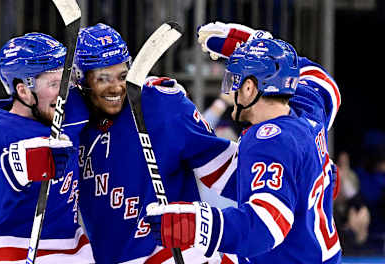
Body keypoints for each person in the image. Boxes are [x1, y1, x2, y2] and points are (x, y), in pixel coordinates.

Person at [145, 23, 343, 263]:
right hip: (319, 252)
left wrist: (197, 224)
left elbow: (266, 227)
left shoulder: (269, 142)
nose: (232, 90)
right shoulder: (308, 107)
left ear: (249, 88)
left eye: (235, 81)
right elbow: (322, 80)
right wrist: (256, 44)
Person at [72, 23, 237, 263]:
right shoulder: (69, 120)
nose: (116, 87)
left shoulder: (160, 106)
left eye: (122, 75)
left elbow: (224, 168)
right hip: (111, 256)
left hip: (173, 251)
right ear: (81, 80)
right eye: (103, 79)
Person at [0, 33, 94, 263]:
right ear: (23, 91)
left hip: (69, 250)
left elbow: (115, 101)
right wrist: (18, 169)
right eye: (54, 84)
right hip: (8, 254)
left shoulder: (70, 110)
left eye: (66, 80)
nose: (64, 92)